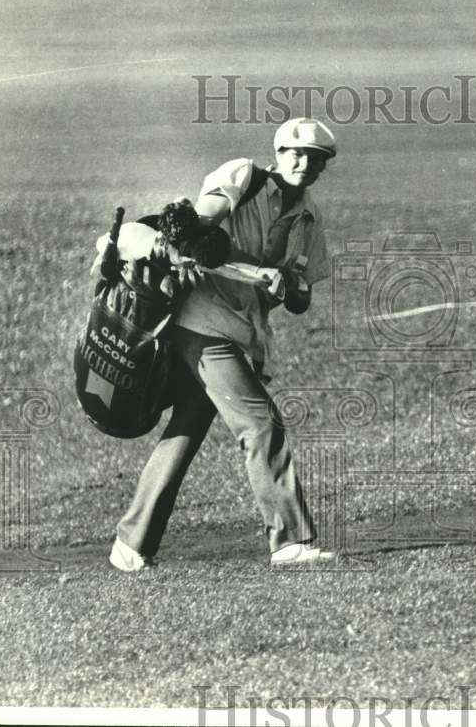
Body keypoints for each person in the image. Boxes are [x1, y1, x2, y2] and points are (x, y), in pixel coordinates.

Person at [109, 117, 339, 570]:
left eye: (315, 157)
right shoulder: (243, 176)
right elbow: (195, 238)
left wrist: (289, 287)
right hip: (203, 324)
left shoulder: (308, 219)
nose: (303, 161)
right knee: (260, 422)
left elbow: (301, 299)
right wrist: (256, 272)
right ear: (278, 153)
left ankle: (131, 544)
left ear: (323, 166)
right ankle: (290, 542)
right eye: (294, 152)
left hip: (245, 334)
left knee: (185, 432)